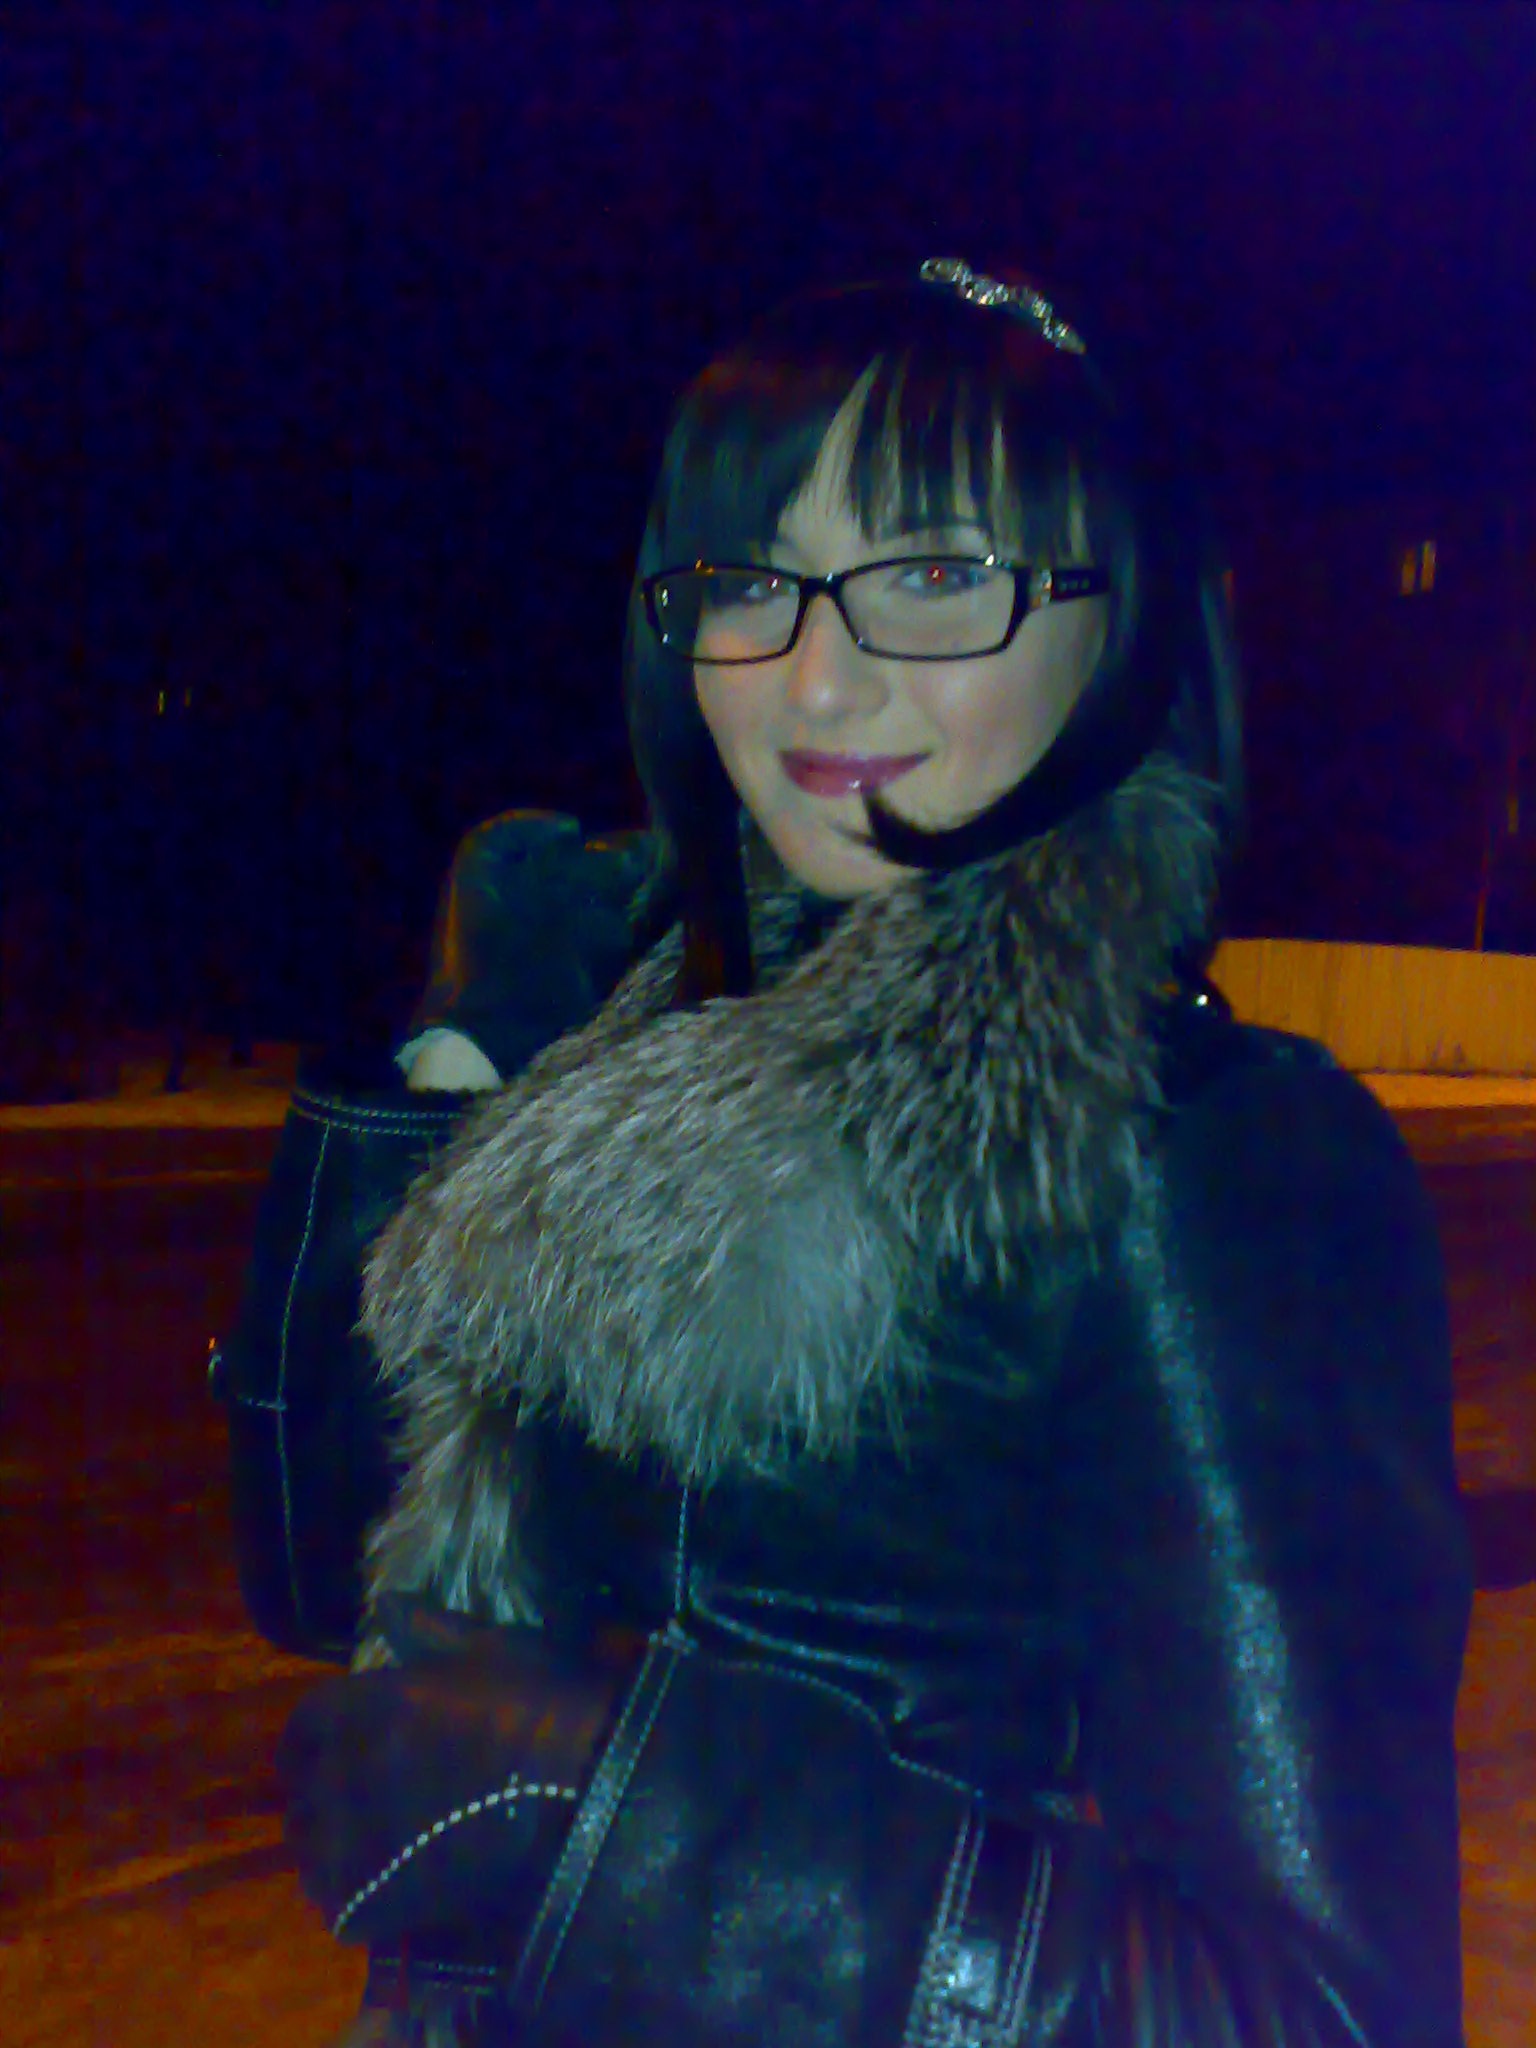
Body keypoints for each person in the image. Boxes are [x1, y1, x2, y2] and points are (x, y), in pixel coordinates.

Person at [276, 258, 1471, 2046]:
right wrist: (449, 1072)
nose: (816, 681)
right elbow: (319, 1582)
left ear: (1122, 619)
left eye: (932, 575)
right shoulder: (655, 1043)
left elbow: (1315, 2015)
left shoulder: (1209, 1164)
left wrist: (617, 1819)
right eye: (752, 581)